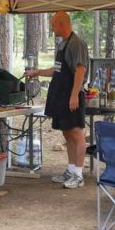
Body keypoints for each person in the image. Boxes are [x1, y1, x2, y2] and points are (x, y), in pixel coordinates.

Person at [24, 11, 89, 189]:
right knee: (67, 132)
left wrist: (74, 95)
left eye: (53, 25)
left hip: (71, 95)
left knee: (77, 133)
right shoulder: (63, 44)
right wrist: (37, 72)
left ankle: (79, 175)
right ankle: (70, 169)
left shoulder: (77, 44)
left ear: (62, 24)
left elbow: (80, 70)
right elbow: (58, 69)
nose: (52, 29)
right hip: (60, 95)